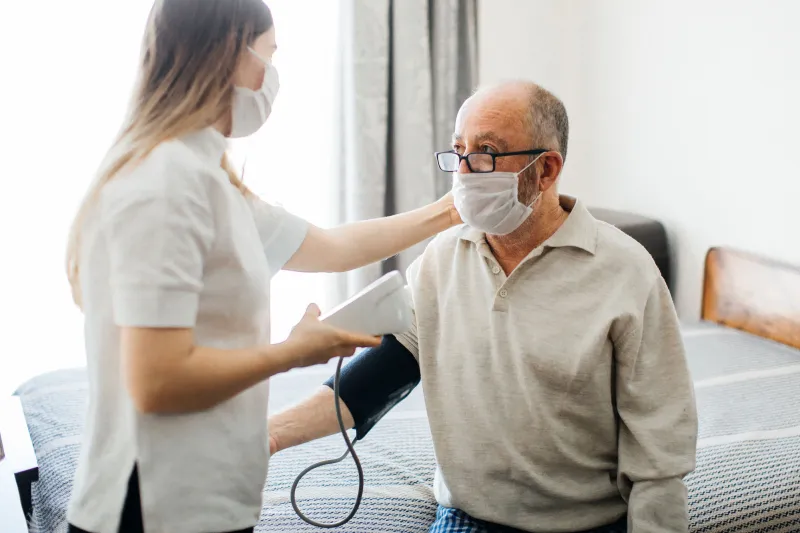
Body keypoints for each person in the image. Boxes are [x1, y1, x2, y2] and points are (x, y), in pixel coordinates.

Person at [63, 1, 460, 533]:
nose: (271, 77)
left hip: (204, 492)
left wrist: (453, 208)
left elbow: (333, 247)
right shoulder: (167, 184)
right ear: (231, 50)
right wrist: (292, 353)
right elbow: (156, 381)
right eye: (269, 55)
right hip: (158, 501)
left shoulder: (209, 182)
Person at [268, 81, 699, 533]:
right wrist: (270, 435)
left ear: (547, 169)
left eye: (487, 152)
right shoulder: (442, 257)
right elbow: (385, 370)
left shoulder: (625, 270)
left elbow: (659, 442)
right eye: (458, 151)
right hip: (470, 517)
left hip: (588, 523)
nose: (464, 172)